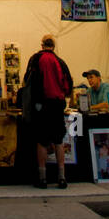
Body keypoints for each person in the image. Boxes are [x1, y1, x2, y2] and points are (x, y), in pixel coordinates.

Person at [24, 35, 73, 189]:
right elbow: (69, 86)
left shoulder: (35, 59)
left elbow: (27, 81)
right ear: (54, 45)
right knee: (59, 140)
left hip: (41, 105)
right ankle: (62, 177)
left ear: (42, 44)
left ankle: (43, 178)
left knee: (42, 141)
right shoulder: (61, 61)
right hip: (58, 105)